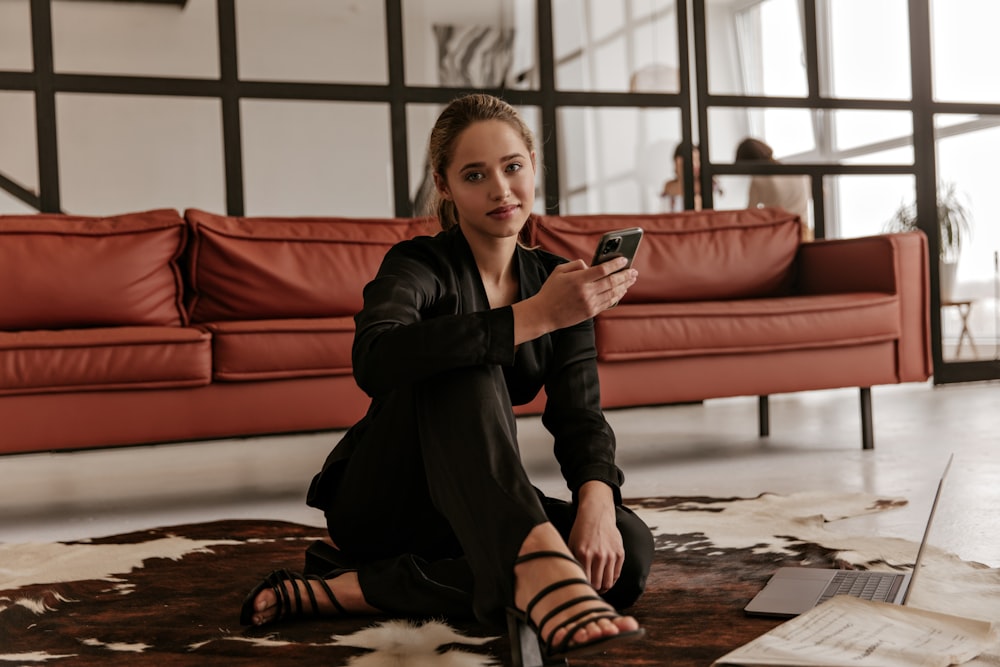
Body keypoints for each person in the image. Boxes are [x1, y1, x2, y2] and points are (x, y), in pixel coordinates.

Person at [239, 93, 652, 662]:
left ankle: (350, 591)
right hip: (387, 498)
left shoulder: (558, 281)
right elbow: (375, 360)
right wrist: (535, 317)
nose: (501, 190)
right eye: (475, 174)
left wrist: (598, 502)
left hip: (480, 507)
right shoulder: (418, 264)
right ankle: (536, 565)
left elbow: (579, 415)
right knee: (462, 354)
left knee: (625, 553)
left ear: (534, 164)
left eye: (512, 167)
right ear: (445, 184)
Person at [735, 137, 812, 241]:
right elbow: (822, 193)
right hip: (805, 234)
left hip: (780, 235)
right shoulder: (798, 171)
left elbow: (749, 213)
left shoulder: (758, 180)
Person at [661, 142, 720, 212]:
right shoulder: (670, 187)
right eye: (692, 160)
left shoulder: (711, 186)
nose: (696, 165)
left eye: (698, 160)